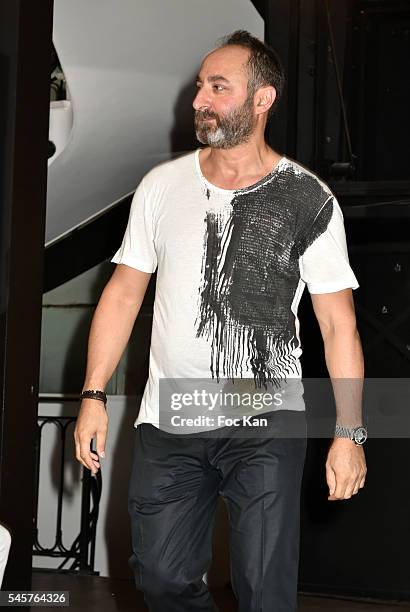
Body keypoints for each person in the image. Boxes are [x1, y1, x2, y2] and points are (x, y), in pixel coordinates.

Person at [74, 30, 367, 612]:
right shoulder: (161, 187)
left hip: (265, 417)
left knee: (264, 588)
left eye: (218, 87)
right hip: (170, 419)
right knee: (159, 579)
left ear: (263, 100)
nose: (199, 100)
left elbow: (338, 326)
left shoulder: (308, 198)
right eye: (199, 87)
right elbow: (124, 294)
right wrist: (92, 394)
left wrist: (350, 432)